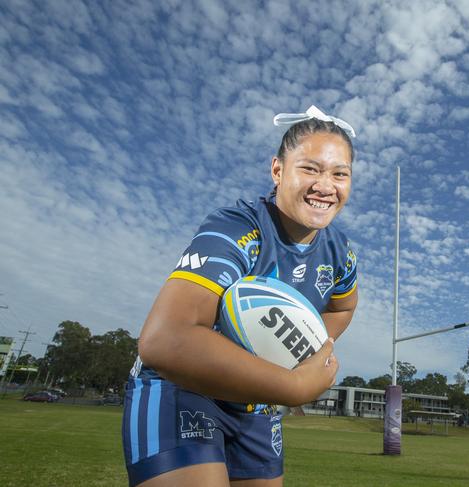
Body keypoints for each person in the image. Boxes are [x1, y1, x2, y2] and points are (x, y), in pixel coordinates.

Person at [122, 105, 358, 487]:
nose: (325, 186)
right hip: (183, 388)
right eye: (310, 169)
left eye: (339, 174)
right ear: (278, 171)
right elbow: (165, 340)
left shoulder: (339, 252)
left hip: (254, 403)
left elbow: (344, 304)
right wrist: (295, 384)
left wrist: (311, 350)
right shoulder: (238, 226)